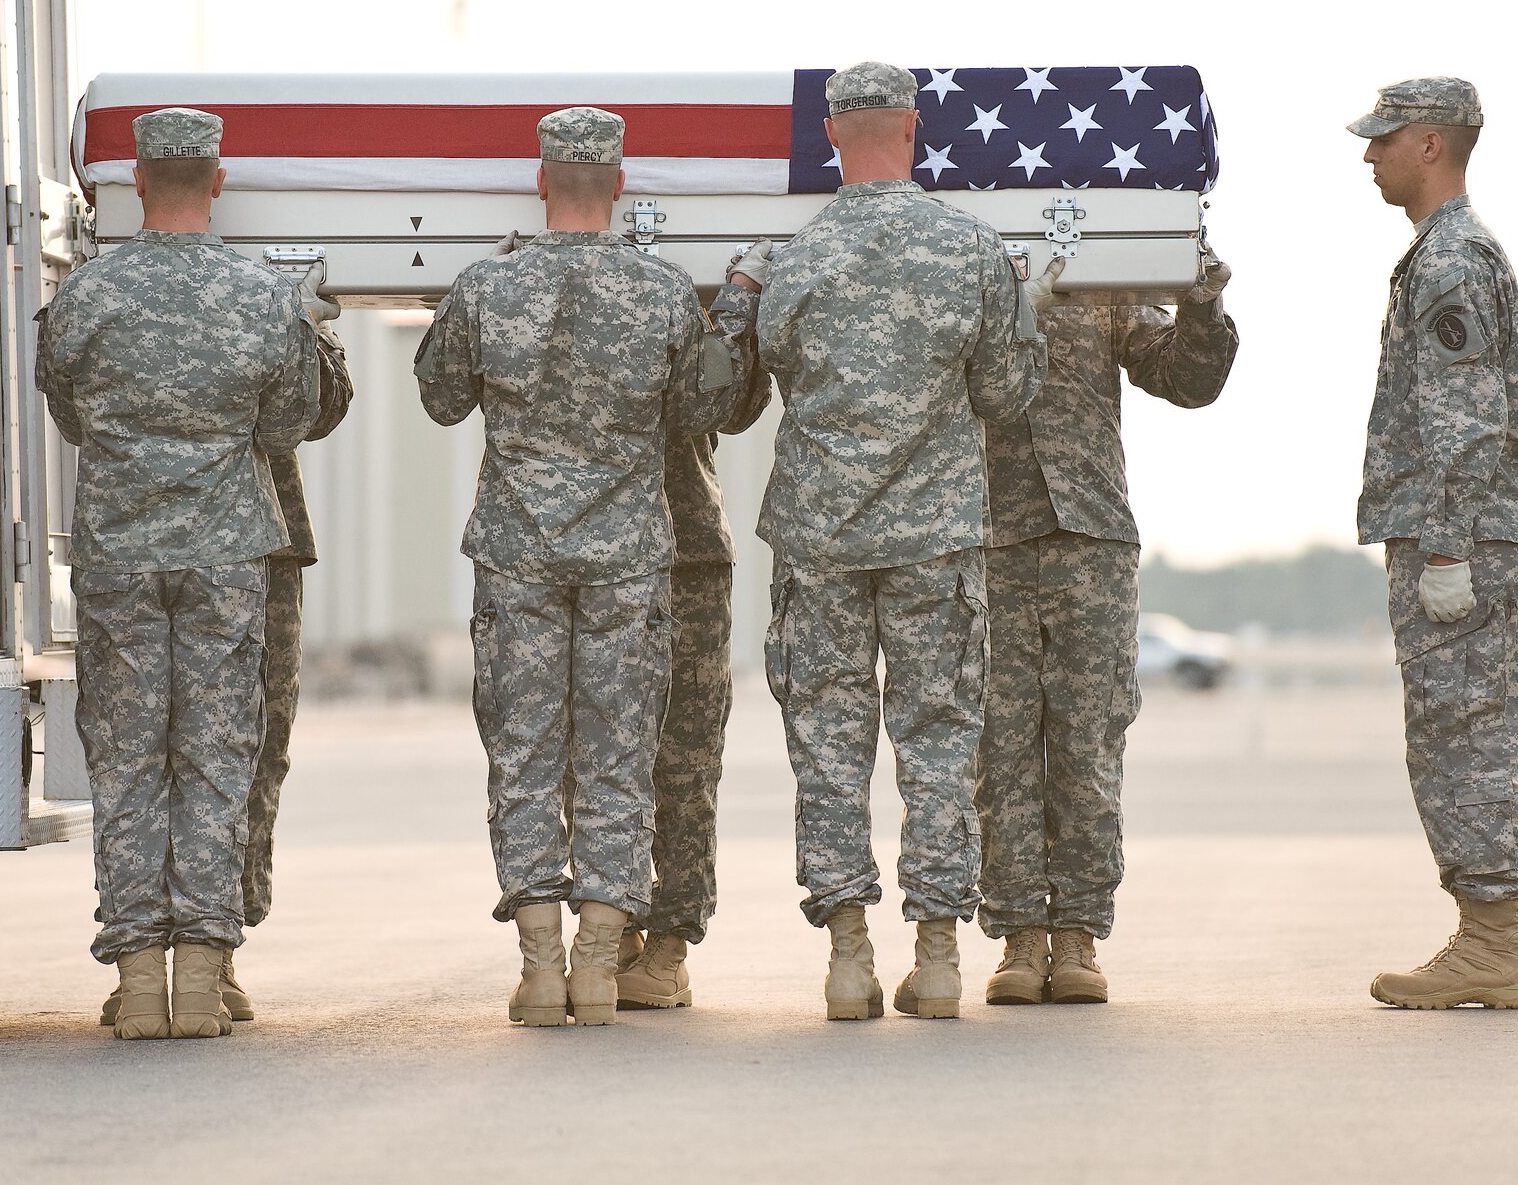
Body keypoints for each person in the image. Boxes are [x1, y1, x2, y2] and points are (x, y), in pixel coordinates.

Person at [415, 107, 748, 1027]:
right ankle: (602, 967)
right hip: (627, 557)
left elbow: (441, 399)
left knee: (523, 757)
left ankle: (538, 968)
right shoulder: (665, 290)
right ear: (622, 186)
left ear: (540, 182)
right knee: (618, 758)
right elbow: (697, 412)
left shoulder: (489, 285)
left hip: (518, 554)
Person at [752, 62, 1047, 1020]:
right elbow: (1008, 395)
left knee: (829, 748)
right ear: (914, 129)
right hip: (935, 540)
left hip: (819, 535)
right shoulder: (970, 253)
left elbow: (755, 378)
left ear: (832, 136)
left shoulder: (793, 261)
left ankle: (846, 959)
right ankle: (940, 957)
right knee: (939, 744)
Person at [35, 107, 324, 1039]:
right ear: (218, 180)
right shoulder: (259, 297)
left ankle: (137, 981)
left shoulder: (85, 293)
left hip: (119, 554)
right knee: (214, 757)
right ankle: (201, 976)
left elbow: (69, 414)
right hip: (223, 556)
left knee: (125, 762)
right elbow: (284, 426)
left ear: (137, 183)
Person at [976, 253, 1239, 1005]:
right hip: (988, 533)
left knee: (1088, 742)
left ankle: (1079, 932)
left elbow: (1186, 380)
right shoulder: (965, 256)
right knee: (1000, 747)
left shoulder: (1100, 270)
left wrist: (1201, 306)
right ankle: (1021, 934)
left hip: (1090, 537)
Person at [1350, 78, 1518, 1009]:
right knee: (1470, 728)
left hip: (1461, 537)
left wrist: (1443, 549)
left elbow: (1464, 422)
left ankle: (1490, 943)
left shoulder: (1451, 261)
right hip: (1468, 529)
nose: (1369, 155)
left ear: (1430, 144)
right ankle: (1487, 935)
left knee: (1460, 732)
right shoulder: (1445, 253)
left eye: (1384, 139)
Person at [614, 243, 774, 1011]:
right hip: (594, 549)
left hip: (683, 544)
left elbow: (737, 406)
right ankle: (606, 923)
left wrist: (732, 314)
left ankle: (671, 937)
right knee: (589, 747)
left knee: (683, 755)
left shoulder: (690, 291)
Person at [230, 262, 354, 1016]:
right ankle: (159, 950)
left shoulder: (260, 287)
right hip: (231, 538)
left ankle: (209, 946)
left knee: (255, 745)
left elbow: (323, 409)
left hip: (259, 539)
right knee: (171, 752)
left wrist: (306, 331)